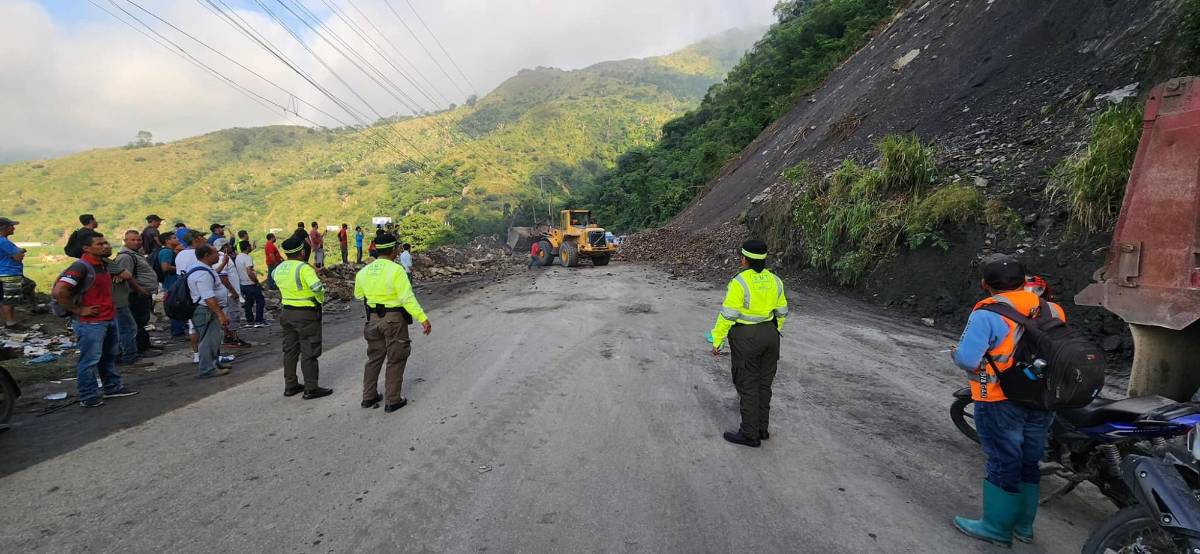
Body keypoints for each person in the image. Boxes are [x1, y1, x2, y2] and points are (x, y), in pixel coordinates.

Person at [951, 254, 1065, 547]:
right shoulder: (1052, 309)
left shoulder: (987, 314)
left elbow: (967, 358)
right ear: (1025, 280)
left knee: (1004, 460)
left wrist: (956, 353)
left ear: (984, 284)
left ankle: (996, 527)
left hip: (999, 398)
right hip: (1042, 398)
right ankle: (1023, 527)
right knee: (1030, 460)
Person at [709, 240, 788, 448]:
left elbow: (728, 315)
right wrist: (774, 330)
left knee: (748, 384)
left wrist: (717, 340)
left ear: (744, 259)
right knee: (764, 383)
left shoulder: (740, 282)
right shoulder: (776, 280)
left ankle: (749, 434)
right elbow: (781, 312)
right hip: (771, 336)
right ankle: (762, 429)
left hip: (747, 338)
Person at [52, 232, 139, 407]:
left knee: (108, 356)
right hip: (90, 323)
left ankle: (112, 387)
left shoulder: (103, 265)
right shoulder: (80, 267)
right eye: (99, 244)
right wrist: (79, 309)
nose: (106, 246)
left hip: (108, 318)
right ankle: (88, 395)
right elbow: (60, 291)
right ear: (86, 248)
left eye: (106, 242)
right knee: (89, 360)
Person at [354, 232, 431, 412]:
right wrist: (423, 318)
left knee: (374, 358)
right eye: (396, 247)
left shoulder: (363, 272)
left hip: (373, 320)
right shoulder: (396, 270)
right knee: (395, 359)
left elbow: (358, 295)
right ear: (393, 250)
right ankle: (392, 400)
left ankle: (369, 396)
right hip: (394, 319)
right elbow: (407, 298)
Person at [271, 235, 332, 399]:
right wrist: (319, 301)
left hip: (286, 311)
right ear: (301, 252)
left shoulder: (279, 269)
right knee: (309, 350)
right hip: (305, 312)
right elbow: (317, 287)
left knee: (290, 350)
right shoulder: (304, 268)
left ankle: (290, 385)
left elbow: (276, 282)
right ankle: (311, 388)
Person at [113, 230, 160, 364]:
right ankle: (140, 349)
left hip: (143, 293)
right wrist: (138, 289)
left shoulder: (136, 254)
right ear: (125, 241)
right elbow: (125, 276)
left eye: (138, 240)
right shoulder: (126, 256)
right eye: (132, 240)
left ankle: (145, 345)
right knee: (137, 322)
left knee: (142, 321)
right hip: (135, 295)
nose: (136, 242)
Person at [187, 245, 231, 378]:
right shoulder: (202, 274)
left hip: (206, 309)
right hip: (205, 310)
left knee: (214, 338)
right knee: (208, 340)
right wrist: (220, 314)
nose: (218, 255)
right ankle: (207, 369)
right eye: (215, 253)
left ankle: (214, 363)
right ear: (206, 255)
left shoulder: (202, 269)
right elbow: (208, 297)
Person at [213, 238, 247, 348]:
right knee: (233, 315)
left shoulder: (219, 257)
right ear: (225, 246)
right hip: (229, 293)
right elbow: (222, 277)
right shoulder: (222, 258)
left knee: (228, 314)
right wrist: (233, 291)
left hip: (225, 292)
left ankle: (229, 336)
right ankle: (233, 338)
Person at [158, 234, 187, 338]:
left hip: (173, 283)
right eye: (174, 238)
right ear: (167, 241)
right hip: (171, 284)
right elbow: (165, 267)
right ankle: (177, 331)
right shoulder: (166, 252)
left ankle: (180, 329)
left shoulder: (171, 251)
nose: (177, 239)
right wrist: (181, 268)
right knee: (176, 306)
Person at [0, 217, 27, 329]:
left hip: (2, 271)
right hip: (9, 272)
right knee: (9, 299)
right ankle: (10, 322)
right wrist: (20, 252)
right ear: (4, 228)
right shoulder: (3, 241)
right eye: (11, 226)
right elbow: (17, 257)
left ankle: (7, 321)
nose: (14, 228)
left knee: (2, 298)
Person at [235, 240, 267, 327]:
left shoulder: (238, 257)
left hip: (242, 284)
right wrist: (256, 282)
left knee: (248, 303)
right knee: (260, 301)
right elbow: (249, 272)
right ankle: (259, 320)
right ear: (247, 247)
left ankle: (250, 321)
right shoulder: (247, 258)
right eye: (249, 246)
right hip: (250, 283)